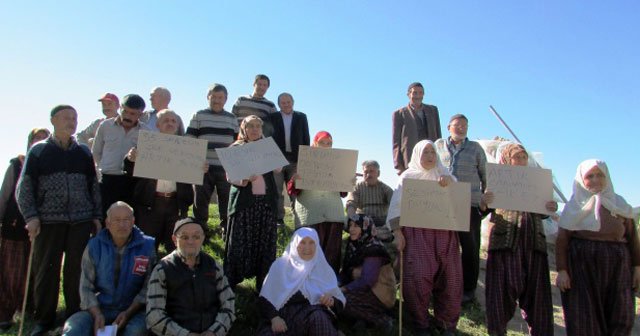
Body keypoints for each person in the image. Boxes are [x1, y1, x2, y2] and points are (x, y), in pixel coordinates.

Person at [16, 105, 102, 336]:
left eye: (75, 118)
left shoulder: (83, 152)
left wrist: (96, 215)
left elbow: (93, 186)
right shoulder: (39, 151)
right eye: (66, 117)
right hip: (48, 221)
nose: (72, 121)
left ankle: (74, 316)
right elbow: (24, 188)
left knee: (77, 271)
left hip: (81, 220)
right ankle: (44, 319)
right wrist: (31, 217)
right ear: (53, 120)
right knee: (46, 270)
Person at [555, 159, 640, 335]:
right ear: (581, 180)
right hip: (581, 268)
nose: (595, 180)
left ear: (607, 177)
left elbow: (632, 238)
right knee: (583, 316)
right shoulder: (574, 207)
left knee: (621, 314)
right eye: (589, 176)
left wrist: (637, 267)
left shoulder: (620, 204)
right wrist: (562, 270)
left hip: (618, 267)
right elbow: (562, 241)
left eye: (600, 175)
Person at [387, 140, 462, 335]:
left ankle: (446, 324)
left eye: (432, 152)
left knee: (451, 280)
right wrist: (397, 233)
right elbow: (396, 206)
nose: (429, 156)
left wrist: (449, 184)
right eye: (425, 152)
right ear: (417, 155)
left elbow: (458, 202)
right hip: (417, 233)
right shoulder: (408, 177)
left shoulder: (446, 175)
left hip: (444, 234)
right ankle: (421, 323)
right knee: (418, 278)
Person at [481, 144, 556, 336]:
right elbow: (483, 211)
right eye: (517, 157)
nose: (521, 160)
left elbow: (544, 214)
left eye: (524, 157)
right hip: (504, 246)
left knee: (537, 299)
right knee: (500, 295)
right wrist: (484, 201)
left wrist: (549, 206)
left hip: (533, 247)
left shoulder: (537, 183)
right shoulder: (497, 181)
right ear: (507, 159)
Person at [63, 202, 155, 336]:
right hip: (100, 307)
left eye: (126, 220)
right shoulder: (94, 246)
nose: (122, 225)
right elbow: (85, 286)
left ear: (133, 221)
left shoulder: (147, 246)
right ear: (107, 222)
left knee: (135, 332)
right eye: (117, 220)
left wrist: (128, 313)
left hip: (134, 310)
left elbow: (148, 287)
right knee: (73, 329)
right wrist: (97, 314)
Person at [146, 217, 236, 335]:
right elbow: (153, 315)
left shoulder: (213, 266)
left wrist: (214, 332)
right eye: (184, 237)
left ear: (203, 238)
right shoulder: (162, 269)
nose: (190, 242)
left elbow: (228, 304)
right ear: (174, 239)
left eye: (196, 237)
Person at [124, 109, 195, 252]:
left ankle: (172, 274)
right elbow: (130, 171)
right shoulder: (148, 145)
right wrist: (130, 159)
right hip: (150, 204)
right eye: (166, 120)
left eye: (173, 121)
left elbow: (192, 177)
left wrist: (201, 168)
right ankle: (146, 274)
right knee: (146, 248)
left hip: (175, 204)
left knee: (175, 248)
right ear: (157, 124)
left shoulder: (188, 149)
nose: (170, 123)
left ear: (177, 125)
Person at [434, 113, 487, 303]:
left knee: (470, 246)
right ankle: (441, 285)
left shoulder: (475, 148)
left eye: (465, 125)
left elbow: (485, 175)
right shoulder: (438, 145)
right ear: (449, 127)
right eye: (457, 125)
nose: (461, 128)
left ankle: (469, 289)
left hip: (469, 203)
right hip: (442, 203)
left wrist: (484, 203)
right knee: (442, 245)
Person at [0, 128, 49, 331]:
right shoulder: (17, 164)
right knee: (10, 274)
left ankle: (29, 310)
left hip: (43, 228)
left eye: (44, 139)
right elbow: (4, 195)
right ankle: (4, 312)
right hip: (15, 227)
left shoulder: (50, 165)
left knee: (35, 272)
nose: (40, 142)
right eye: (36, 139)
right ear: (29, 142)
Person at [257, 227, 345, 336]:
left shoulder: (323, 269)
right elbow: (265, 298)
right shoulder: (280, 266)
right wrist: (274, 318)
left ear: (317, 244)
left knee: (319, 319)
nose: (307, 248)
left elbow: (339, 301)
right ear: (295, 244)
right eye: (302, 242)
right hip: (283, 317)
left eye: (311, 242)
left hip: (312, 315)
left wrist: (331, 302)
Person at [224, 115, 279, 291]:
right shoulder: (236, 148)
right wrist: (244, 178)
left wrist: (274, 160)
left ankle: (263, 285)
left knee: (264, 243)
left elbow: (278, 169)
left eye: (258, 126)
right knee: (239, 242)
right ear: (244, 129)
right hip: (244, 203)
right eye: (250, 126)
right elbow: (230, 176)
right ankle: (231, 284)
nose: (255, 129)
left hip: (265, 203)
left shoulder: (268, 148)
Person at [287, 131, 348, 273]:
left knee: (331, 255)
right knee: (309, 254)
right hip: (310, 216)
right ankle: (305, 288)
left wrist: (347, 181)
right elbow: (292, 191)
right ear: (315, 143)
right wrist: (295, 181)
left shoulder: (339, 164)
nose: (326, 146)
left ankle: (328, 289)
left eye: (329, 143)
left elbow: (343, 193)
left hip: (333, 215)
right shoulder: (304, 162)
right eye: (322, 142)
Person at [185, 84, 239, 237]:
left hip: (225, 169)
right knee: (200, 202)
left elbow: (238, 143)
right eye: (214, 97)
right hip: (203, 168)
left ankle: (227, 230)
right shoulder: (198, 115)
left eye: (220, 97)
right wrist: (197, 161)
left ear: (226, 99)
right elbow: (189, 140)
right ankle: (201, 231)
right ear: (208, 97)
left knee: (227, 202)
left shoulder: (232, 118)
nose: (217, 100)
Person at [92, 94, 146, 217]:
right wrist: (103, 168)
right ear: (120, 108)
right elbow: (96, 151)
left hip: (131, 183)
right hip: (107, 181)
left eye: (132, 114)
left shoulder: (146, 132)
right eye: (125, 111)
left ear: (140, 114)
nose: (127, 116)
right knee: (105, 219)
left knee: (128, 221)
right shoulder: (105, 126)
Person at [339, 214, 395, 332]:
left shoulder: (374, 248)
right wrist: (335, 283)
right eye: (350, 226)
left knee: (341, 300)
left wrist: (343, 289)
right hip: (364, 290)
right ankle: (362, 320)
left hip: (379, 295)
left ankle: (381, 319)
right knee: (334, 298)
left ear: (365, 228)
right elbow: (346, 272)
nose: (351, 229)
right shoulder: (353, 245)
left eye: (356, 226)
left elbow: (367, 281)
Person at [270, 92, 310, 224]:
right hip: (277, 159)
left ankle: (299, 219)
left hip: (295, 160)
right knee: (276, 190)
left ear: (293, 102)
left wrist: (304, 161)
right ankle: (278, 219)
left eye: (288, 102)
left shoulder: (301, 117)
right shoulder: (273, 117)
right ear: (279, 104)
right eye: (283, 102)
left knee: (296, 190)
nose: (286, 104)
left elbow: (306, 139)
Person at [345, 160, 395, 260]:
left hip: (380, 221)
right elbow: (351, 204)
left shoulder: (385, 189)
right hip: (362, 221)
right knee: (345, 222)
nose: (368, 174)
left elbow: (395, 206)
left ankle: (372, 234)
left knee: (392, 226)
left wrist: (389, 224)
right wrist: (354, 220)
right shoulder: (357, 187)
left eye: (371, 171)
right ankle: (368, 233)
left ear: (378, 173)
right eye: (366, 172)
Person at [392, 82, 442, 175]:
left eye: (420, 93)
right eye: (415, 93)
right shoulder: (399, 114)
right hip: (410, 159)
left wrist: (440, 159)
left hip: (430, 159)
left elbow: (438, 136)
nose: (418, 96)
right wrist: (398, 166)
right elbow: (396, 142)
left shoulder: (433, 110)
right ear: (408, 94)